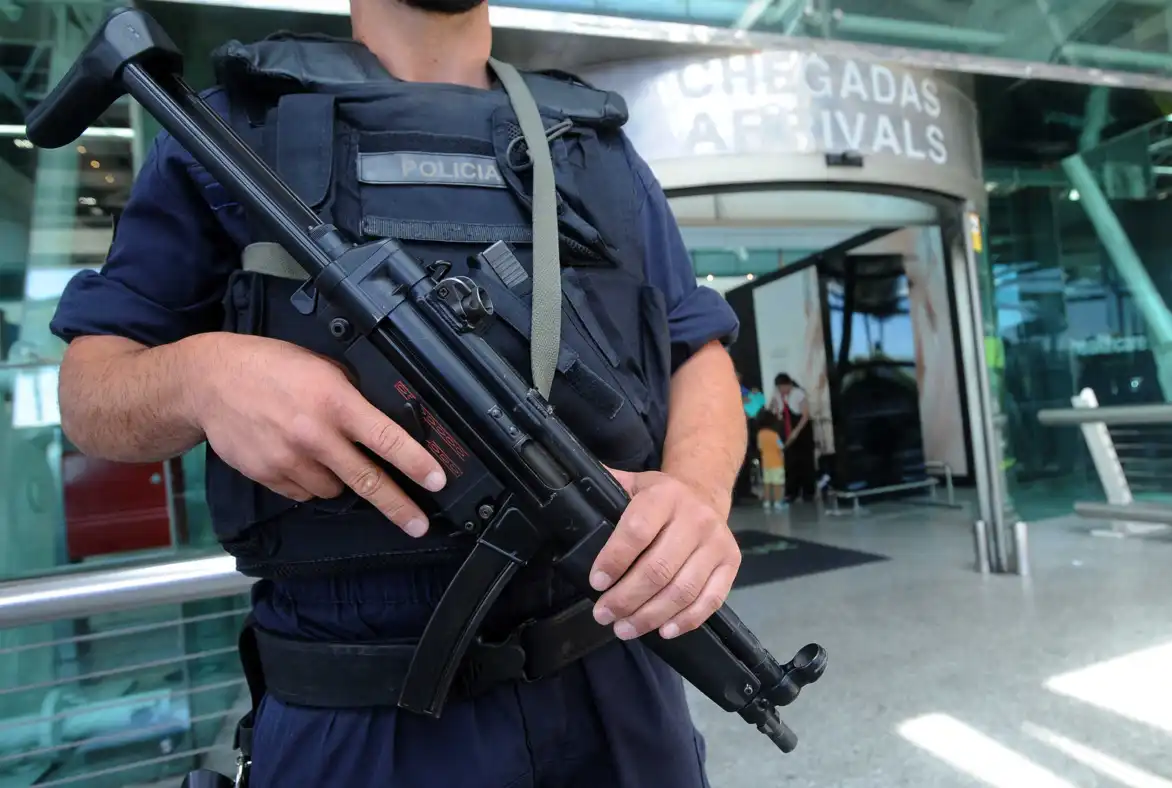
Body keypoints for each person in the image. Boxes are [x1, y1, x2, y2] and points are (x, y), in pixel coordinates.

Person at [47, 1, 747, 785]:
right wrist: (202, 376)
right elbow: (90, 393)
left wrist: (696, 493)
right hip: (359, 716)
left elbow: (699, 352)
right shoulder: (232, 130)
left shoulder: (599, 151)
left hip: (618, 696)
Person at [769, 373, 815, 502]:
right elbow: (774, 411)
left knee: (805, 461)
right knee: (790, 462)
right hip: (787, 431)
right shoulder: (777, 396)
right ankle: (791, 493)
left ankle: (808, 492)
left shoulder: (799, 394)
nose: (781, 390)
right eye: (778, 388)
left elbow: (805, 415)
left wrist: (796, 432)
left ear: (788, 384)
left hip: (801, 430)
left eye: (782, 387)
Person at [755, 411, 787, 511]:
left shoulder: (760, 434)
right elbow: (780, 447)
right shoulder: (774, 435)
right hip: (777, 463)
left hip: (766, 463)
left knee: (767, 483)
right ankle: (778, 502)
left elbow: (760, 447)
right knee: (778, 484)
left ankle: (767, 502)